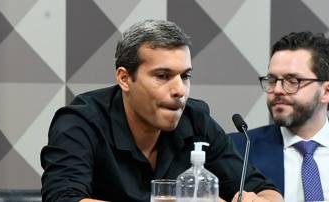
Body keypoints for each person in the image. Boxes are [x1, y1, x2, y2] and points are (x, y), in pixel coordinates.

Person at [40, 19, 283, 202]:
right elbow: (63, 198)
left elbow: (265, 190)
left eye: (185, 76)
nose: (180, 90)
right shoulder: (80, 122)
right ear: (125, 78)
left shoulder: (196, 118)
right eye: (163, 76)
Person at [230, 31, 329, 201]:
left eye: (293, 81)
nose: (278, 90)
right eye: (272, 80)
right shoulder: (237, 150)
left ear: (327, 91)